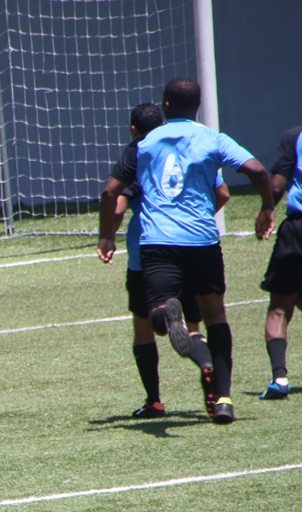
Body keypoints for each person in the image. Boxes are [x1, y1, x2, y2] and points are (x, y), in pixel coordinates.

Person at [97, 77, 275, 424]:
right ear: (199, 106)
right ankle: (223, 400)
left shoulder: (144, 143)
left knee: (156, 311)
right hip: (202, 241)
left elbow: (110, 192)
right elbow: (255, 169)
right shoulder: (213, 138)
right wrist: (267, 207)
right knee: (215, 316)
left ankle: (168, 317)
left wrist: (106, 236)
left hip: (158, 242)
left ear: (165, 106)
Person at [110, 103, 231, 419]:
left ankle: (154, 401)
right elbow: (222, 193)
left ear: (134, 130)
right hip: (191, 248)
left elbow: (118, 202)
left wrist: (107, 236)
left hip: (149, 255)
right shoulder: (189, 150)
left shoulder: (138, 155)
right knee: (195, 327)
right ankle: (207, 366)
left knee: (145, 325)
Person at [258, 124, 302, 399]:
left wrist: (266, 210)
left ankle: (279, 378)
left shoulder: (295, 136)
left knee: (279, 307)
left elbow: (276, 185)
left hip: (297, 230)